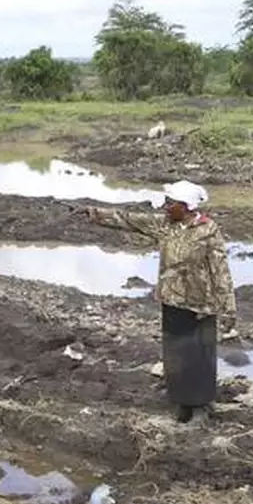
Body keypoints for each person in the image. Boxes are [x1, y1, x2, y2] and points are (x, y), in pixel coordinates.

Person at [82, 180, 236, 424]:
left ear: (186, 207)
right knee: (175, 352)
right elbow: (128, 220)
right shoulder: (165, 226)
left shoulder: (208, 231)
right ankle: (180, 399)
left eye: (170, 203)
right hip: (171, 301)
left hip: (200, 306)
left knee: (199, 358)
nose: (165, 207)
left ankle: (199, 407)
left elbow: (221, 271)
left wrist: (228, 308)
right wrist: (94, 213)